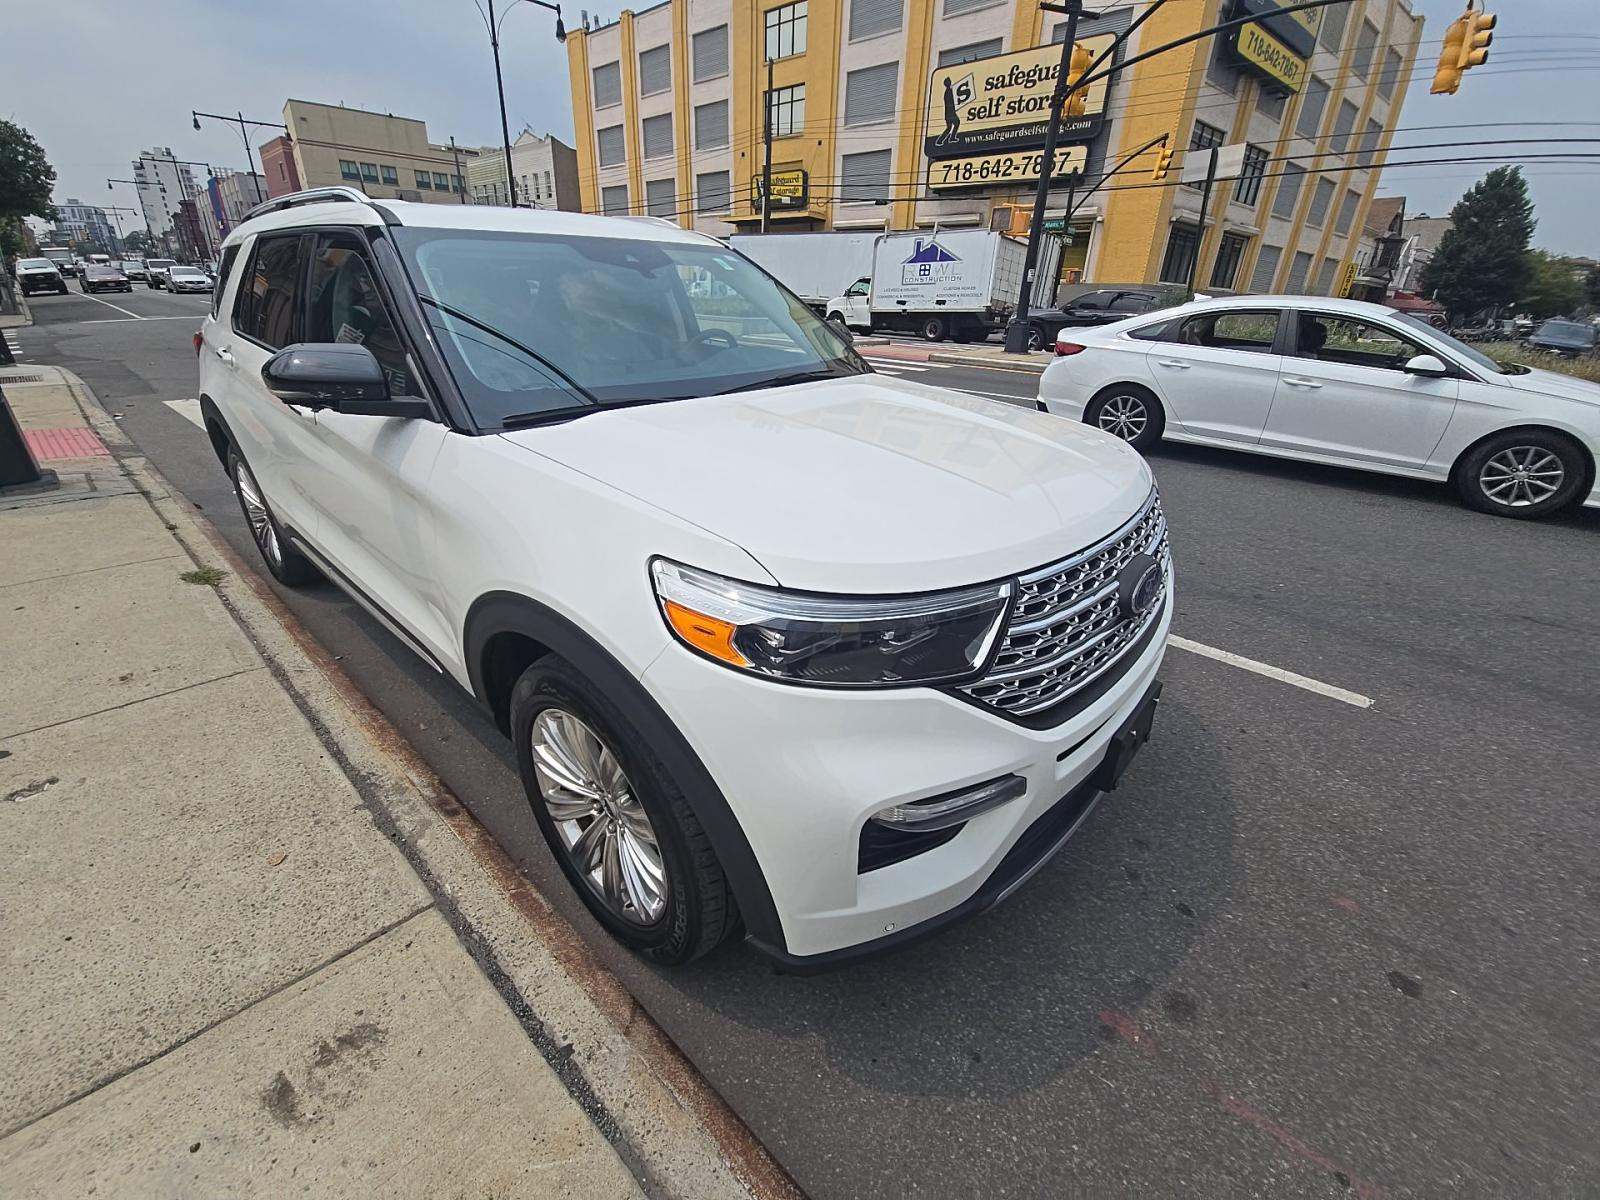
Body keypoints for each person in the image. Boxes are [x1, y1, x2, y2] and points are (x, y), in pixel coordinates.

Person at [936, 77, 961, 147]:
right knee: (956, 123)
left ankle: (941, 140)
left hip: (949, 113)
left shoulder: (948, 91)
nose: (951, 82)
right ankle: (948, 138)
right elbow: (951, 102)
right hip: (950, 113)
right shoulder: (948, 91)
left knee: (950, 127)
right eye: (950, 81)